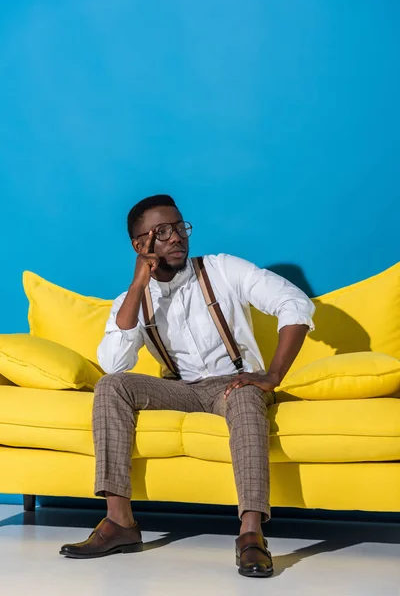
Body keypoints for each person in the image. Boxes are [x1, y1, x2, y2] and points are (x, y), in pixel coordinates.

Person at [60, 194, 315, 577]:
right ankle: (119, 523)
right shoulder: (132, 300)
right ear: (139, 244)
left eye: (179, 227)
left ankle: (250, 535)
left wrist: (273, 375)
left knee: (246, 396)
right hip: (178, 389)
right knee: (112, 386)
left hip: (234, 383)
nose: (176, 237)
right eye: (162, 232)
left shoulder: (222, 269)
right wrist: (137, 286)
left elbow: (294, 302)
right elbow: (115, 364)